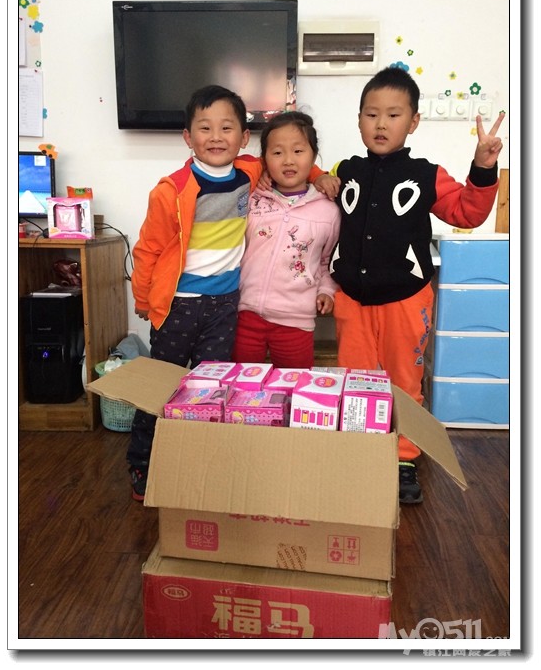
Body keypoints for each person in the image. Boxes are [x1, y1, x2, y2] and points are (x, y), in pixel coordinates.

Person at [126, 85, 337, 501]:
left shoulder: (248, 174)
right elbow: (147, 250)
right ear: (187, 137)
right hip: (178, 306)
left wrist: (320, 175)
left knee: (213, 391)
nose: (216, 136)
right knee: (162, 386)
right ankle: (143, 461)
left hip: (225, 307)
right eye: (204, 128)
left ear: (243, 139)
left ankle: (203, 461)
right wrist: (145, 300)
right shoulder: (171, 190)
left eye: (227, 128)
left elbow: (290, 158)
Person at [327, 66, 505, 504]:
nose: (381, 124)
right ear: (359, 120)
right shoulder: (345, 170)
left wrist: (483, 168)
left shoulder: (427, 174)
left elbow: (467, 213)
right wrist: (315, 175)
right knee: (355, 381)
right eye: (371, 114)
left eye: (393, 115)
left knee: (404, 380)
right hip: (352, 301)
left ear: (414, 122)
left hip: (406, 300)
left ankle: (404, 457)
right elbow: (314, 182)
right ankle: (360, 451)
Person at [232, 111, 341, 368]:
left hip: (296, 321)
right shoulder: (252, 200)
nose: (288, 160)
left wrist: (327, 291)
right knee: (242, 383)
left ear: (313, 156)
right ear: (265, 159)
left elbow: (328, 261)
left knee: (293, 385)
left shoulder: (328, 211)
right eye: (278, 152)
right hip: (246, 315)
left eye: (298, 151)